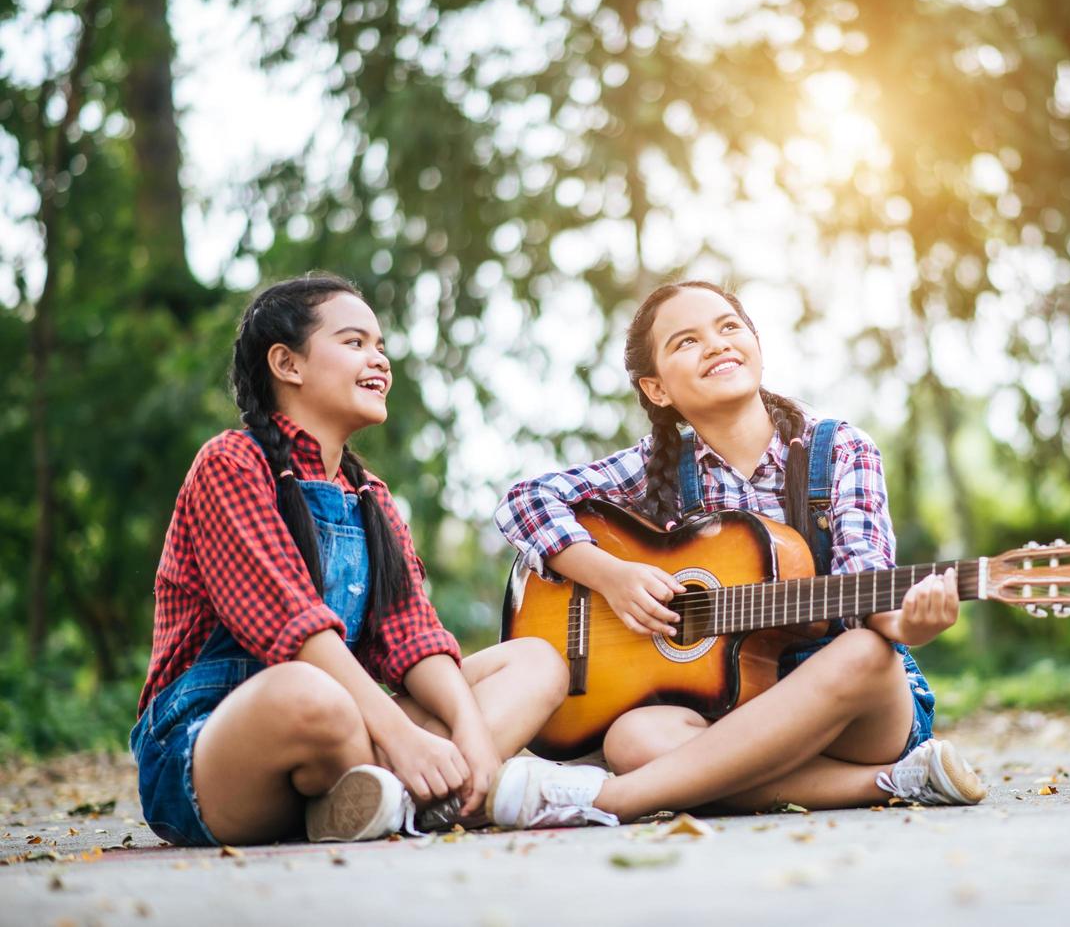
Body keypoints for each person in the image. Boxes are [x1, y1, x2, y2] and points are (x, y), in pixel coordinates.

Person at [490, 280, 985, 829]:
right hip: (733, 711)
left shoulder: (840, 448)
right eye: (686, 341)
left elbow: (867, 578)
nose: (717, 344)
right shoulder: (658, 465)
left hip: (853, 708)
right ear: (656, 390)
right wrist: (610, 575)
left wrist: (910, 624)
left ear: (756, 346)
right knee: (635, 738)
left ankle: (610, 801)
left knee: (865, 651)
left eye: (729, 327)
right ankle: (898, 782)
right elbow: (524, 500)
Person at [132, 274, 567, 847]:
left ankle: (379, 801)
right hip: (210, 748)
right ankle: (413, 793)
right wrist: (403, 736)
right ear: (287, 364)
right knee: (309, 693)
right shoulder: (231, 463)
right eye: (355, 342)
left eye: (381, 346)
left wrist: (472, 733)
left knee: (537, 661)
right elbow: (293, 628)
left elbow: (413, 637)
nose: (379, 359)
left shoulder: (372, 497)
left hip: (351, 732)